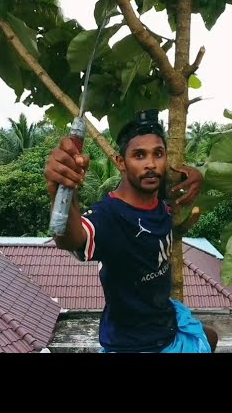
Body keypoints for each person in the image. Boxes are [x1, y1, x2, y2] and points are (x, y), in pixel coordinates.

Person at [44, 109, 218, 353]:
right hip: (133, 344)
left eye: (158, 154)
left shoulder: (161, 196)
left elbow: (182, 176)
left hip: (167, 321)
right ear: (120, 162)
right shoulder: (110, 216)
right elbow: (71, 238)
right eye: (139, 155)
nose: (150, 164)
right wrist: (61, 190)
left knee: (210, 337)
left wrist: (197, 174)